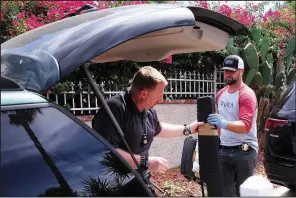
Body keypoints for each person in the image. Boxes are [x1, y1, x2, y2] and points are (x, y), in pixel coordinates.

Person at [92, 66, 204, 174]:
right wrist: (146, 162)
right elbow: (106, 151)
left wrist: (188, 129)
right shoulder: (114, 109)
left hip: (138, 180)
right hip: (114, 184)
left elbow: (158, 129)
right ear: (144, 94)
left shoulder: (148, 111)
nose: (161, 100)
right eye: (159, 96)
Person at [207, 55, 258, 197]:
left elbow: (245, 126)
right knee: (225, 192)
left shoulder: (246, 95)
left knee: (244, 192)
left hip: (244, 151)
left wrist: (224, 123)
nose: (227, 74)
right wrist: (214, 140)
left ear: (241, 71)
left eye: (231, 71)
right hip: (224, 149)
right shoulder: (220, 94)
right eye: (225, 71)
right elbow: (217, 125)